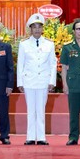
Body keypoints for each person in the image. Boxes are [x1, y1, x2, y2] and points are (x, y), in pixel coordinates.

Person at [17, 13, 57, 145]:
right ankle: (30, 137)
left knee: (41, 110)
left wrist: (52, 81)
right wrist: (20, 82)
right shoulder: (24, 45)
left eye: (39, 27)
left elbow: (52, 64)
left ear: (42, 28)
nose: (37, 29)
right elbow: (20, 64)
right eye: (34, 27)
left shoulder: (49, 44)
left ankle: (41, 137)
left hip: (43, 81)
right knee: (30, 110)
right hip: (29, 81)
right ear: (30, 29)